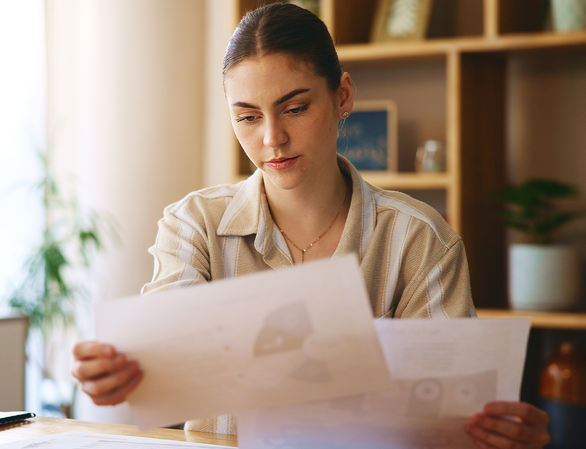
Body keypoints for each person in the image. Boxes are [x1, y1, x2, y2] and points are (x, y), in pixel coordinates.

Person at [72, 3, 551, 448]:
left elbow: (448, 415)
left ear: (342, 96)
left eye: (295, 108)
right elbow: (163, 356)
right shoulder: (194, 224)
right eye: (247, 117)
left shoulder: (420, 238)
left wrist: (495, 435)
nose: (272, 138)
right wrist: (122, 372)